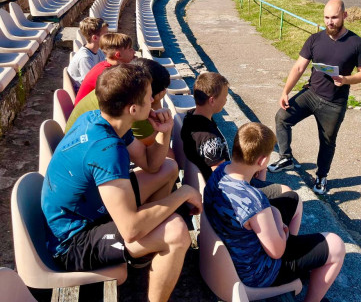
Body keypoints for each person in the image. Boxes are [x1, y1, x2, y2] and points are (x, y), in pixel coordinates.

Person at [42, 64, 202, 302]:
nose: (154, 101)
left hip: (90, 209)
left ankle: (145, 252)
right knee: (177, 232)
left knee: (168, 168)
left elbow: (151, 165)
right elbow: (130, 229)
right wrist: (184, 193)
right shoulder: (107, 149)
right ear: (134, 108)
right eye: (150, 97)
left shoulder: (99, 118)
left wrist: (164, 131)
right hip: (71, 241)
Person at [204, 122, 345, 301]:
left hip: (232, 249)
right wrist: (278, 222)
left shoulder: (220, 172)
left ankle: (298, 262)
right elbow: (276, 252)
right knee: (336, 245)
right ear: (262, 161)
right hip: (256, 272)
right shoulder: (255, 201)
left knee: (292, 199)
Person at [268, 0, 361, 195]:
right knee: (282, 117)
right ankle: (286, 157)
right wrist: (285, 91)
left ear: (345, 16)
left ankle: (322, 176)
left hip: (334, 103)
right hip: (311, 94)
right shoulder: (315, 39)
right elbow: (299, 67)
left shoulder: (357, 43)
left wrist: (346, 79)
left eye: (334, 17)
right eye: (326, 17)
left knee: (327, 141)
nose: (329, 22)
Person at [66, 58, 170, 146]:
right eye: (150, 96)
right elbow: (153, 146)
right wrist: (156, 104)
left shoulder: (111, 89)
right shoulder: (132, 112)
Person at [181, 72, 230, 181]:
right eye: (225, 97)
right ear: (212, 100)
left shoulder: (189, 117)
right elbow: (221, 177)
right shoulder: (209, 138)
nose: (226, 100)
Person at [74, 33, 136, 105]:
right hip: (87, 113)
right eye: (130, 49)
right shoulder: (108, 75)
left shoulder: (105, 65)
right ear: (118, 55)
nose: (134, 52)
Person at [67, 17, 108, 90]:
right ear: (95, 38)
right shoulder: (85, 58)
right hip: (86, 94)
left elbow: (106, 70)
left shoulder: (98, 51)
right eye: (106, 35)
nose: (108, 38)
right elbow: (92, 84)